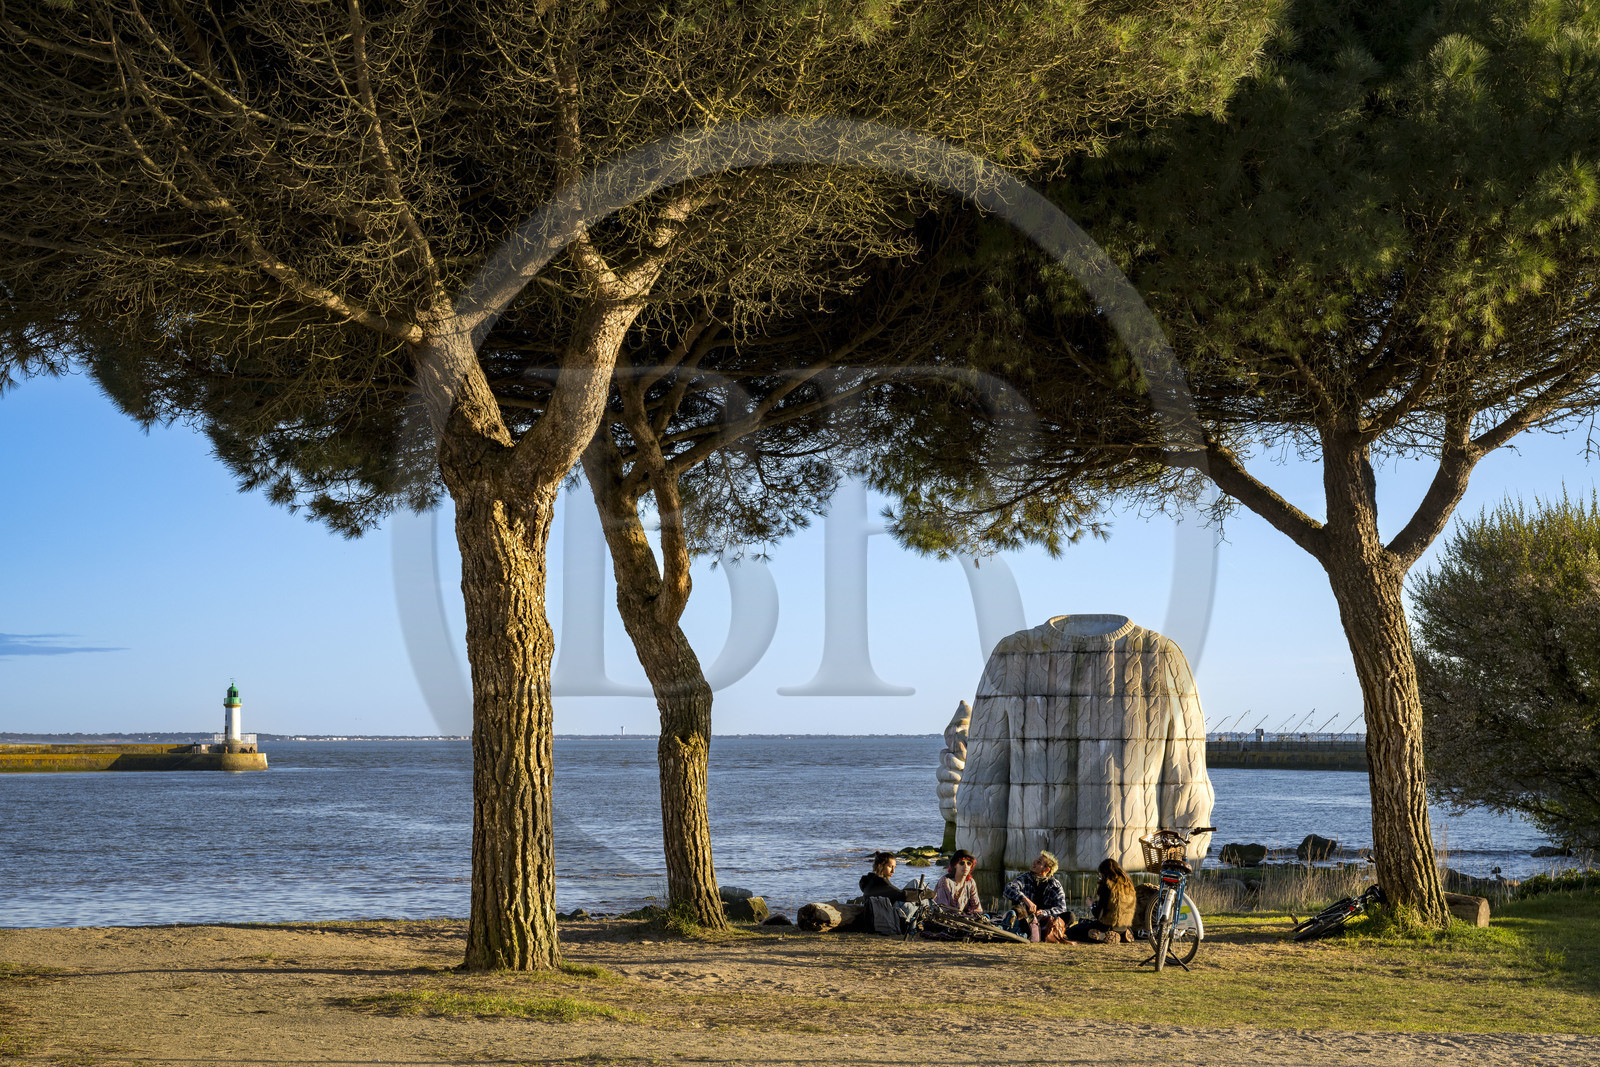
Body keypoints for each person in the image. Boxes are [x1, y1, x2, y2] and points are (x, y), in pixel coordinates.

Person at [853, 851, 932, 933]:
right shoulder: (880, 882)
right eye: (890, 867)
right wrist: (928, 894)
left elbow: (898, 893)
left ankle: (935, 914)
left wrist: (923, 893)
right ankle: (937, 916)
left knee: (916, 883)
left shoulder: (870, 880)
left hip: (883, 914)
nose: (893, 871)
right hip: (887, 918)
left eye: (894, 867)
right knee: (921, 896)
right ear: (881, 866)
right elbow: (904, 896)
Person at [1001, 851, 1071, 940]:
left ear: (1046, 870)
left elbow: (1061, 909)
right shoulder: (1025, 877)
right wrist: (1025, 900)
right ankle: (1027, 931)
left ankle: (1042, 932)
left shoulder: (1055, 885)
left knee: (1070, 916)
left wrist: (1044, 912)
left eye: (1039, 862)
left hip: (1044, 921)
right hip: (1025, 918)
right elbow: (1009, 888)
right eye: (1036, 860)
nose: (1034, 862)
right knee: (1017, 909)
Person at [1067, 858, 1137, 943]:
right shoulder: (1128, 885)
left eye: (1100, 875)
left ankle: (1101, 936)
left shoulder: (1107, 886)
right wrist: (1097, 902)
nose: (1100, 877)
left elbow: (1099, 914)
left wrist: (1091, 905)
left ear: (1104, 873)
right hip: (1123, 927)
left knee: (1071, 932)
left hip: (1107, 926)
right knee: (1083, 923)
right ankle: (1122, 935)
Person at [934, 850, 983, 916]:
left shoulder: (971, 882)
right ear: (955, 865)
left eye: (969, 863)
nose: (965, 866)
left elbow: (977, 907)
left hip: (963, 919)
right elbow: (943, 908)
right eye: (962, 863)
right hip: (944, 919)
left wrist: (971, 913)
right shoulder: (945, 881)